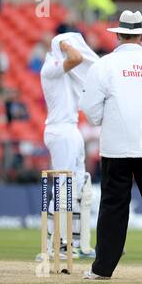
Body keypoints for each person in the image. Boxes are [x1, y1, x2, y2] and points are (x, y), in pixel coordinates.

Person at [80, 10, 142, 280]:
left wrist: (107, 119)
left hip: (116, 146)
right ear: (140, 37)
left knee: (113, 206)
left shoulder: (103, 65)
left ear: (119, 36)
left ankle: (102, 269)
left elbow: (90, 110)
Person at [40, 32, 99, 260]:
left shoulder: (66, 71)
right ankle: (55, 243)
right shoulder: (51, 66)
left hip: (71, 128)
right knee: (64, 186)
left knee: (77, 186)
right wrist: (62, 42)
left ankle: (76, 243)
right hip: (59, 129)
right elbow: (75, 57)